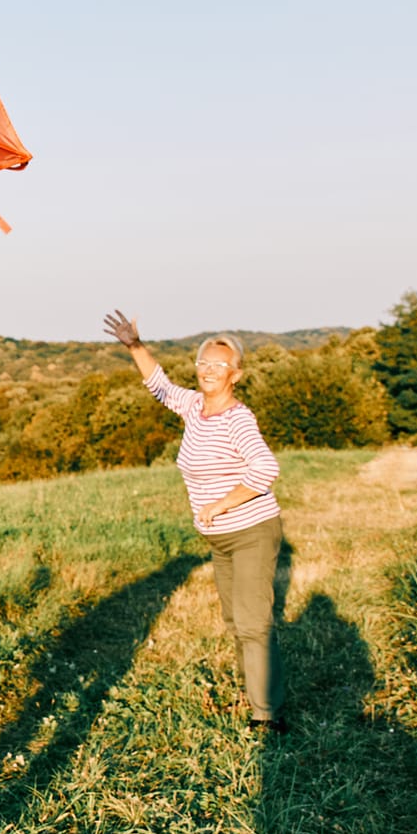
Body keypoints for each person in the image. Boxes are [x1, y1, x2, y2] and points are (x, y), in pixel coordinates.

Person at [103, 311, 287, 732]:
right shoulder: (194, 407)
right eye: (203, 362)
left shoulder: (238, 418)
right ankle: (256, 694)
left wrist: (223, 504)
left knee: (253, 622)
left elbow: (265, 468)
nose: (207, 371)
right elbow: (160, 386)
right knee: (235, 621)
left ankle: (268, 715)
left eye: (218, 365)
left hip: (251, 532)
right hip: (220, 540)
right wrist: (135, 345)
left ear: (235, 374)